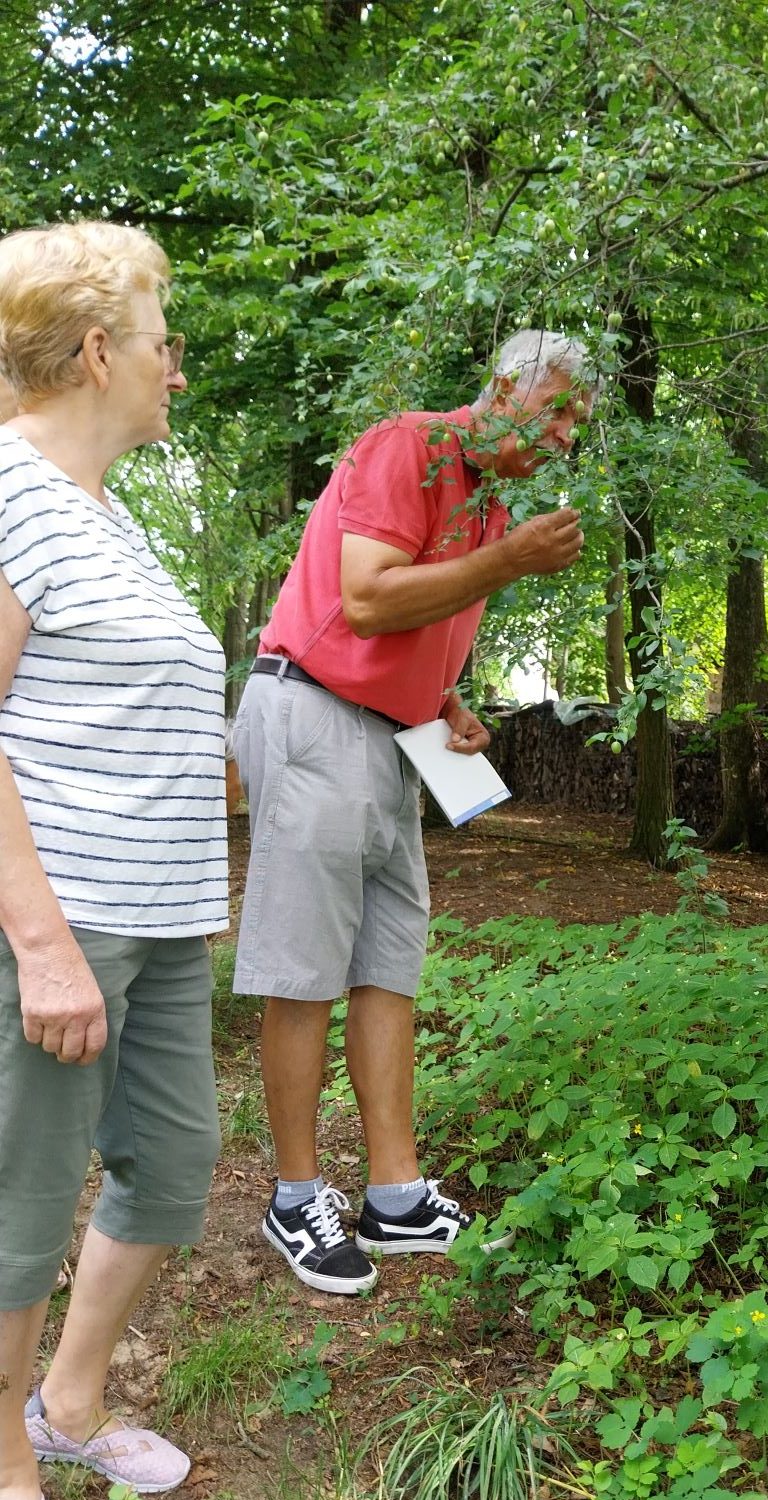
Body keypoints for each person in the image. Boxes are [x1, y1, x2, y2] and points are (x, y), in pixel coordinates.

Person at [233, 328, 596, 1295]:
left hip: (393, 737)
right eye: (555, 409)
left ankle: (394, 1198)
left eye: (577, 422)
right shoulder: (412, 446)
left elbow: (414, 625)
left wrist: (445, 699)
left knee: (389, 959)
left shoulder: (491, 505)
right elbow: (364, 600)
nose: (565, 434)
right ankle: (294, 1195)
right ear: (500, 388)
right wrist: (511, 561)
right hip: (313, 712)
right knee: (307, 965)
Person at [0, 221, 227, 1500]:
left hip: (157, 925)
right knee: (18, 1214)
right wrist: (39, 945)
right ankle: (3, 1486)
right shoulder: (8, 495)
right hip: (56, 932)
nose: (175, 370)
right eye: (161, 340)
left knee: (176, 1167)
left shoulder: (105, 512)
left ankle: (69, 1408)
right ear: (96, 352)